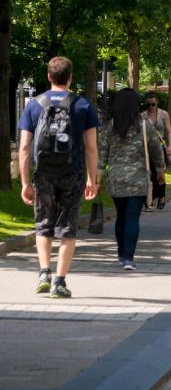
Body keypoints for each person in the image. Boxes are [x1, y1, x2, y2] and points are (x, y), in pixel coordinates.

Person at [18, 56, 100, 298]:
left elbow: (24, 147)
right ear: (70, 77)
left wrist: (24, 182)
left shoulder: (34, 105)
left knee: (43, 224)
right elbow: (91, 147)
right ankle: (59, 282)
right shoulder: (82, 105)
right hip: (72, 173)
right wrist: (91, 178)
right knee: (67, 228)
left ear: (49, 77)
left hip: (43, 173)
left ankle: (43, 272)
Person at [99, 88, 165, 269]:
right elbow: (156, 150)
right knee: (132, 218)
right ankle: (128, 258)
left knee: (121, 216)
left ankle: (121, 253)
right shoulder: (144, 125)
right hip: (138, 179)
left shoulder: (109, 127)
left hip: (115, 179)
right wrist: (160, 169)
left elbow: (102, 153)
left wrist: (97, 176)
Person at [142, 90, 171, 210]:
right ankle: (150, 197)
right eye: (148, 104)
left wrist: (170, 147)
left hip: (160, 146)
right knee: (149, 173)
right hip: (147, 148)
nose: (151, 107)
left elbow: (169, 131)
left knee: (161, 172)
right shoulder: (142, 116)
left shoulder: (164, 114)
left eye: (153, 104)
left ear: (157, 103)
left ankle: (162, 197)